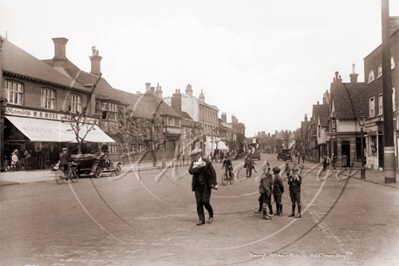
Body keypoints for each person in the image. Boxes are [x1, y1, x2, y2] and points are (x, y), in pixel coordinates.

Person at [189, 148, 218, 226]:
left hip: (206, 185)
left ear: (199, 154)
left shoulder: (207, 162)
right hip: (197, 186)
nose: (194, 157)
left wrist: (215, 183)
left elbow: (213, 173)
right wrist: (198, 167)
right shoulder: (193, 163)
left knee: (205, 201)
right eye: (193, 155)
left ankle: (211, 214)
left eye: (195, 155)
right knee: (199, 203)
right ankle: (201, 219)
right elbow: (190, 171)